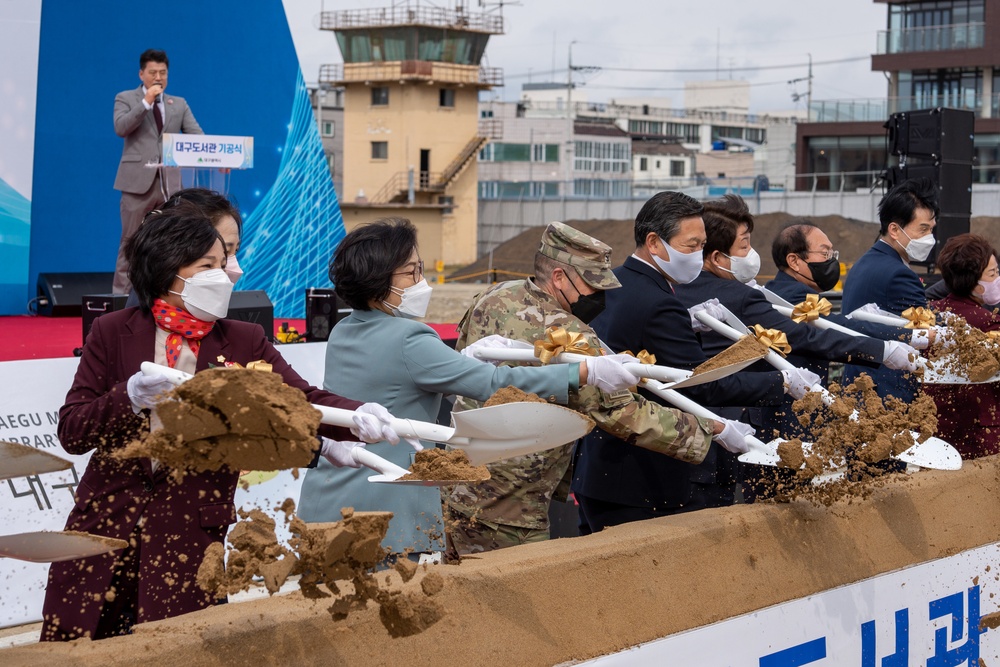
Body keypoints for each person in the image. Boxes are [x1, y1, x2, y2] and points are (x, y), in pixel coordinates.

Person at [40, 207, 400, 642]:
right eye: (206, 266)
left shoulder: (242, 340)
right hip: (105, 529)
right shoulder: (112, 331)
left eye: (221, 262)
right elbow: (73, 431)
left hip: (189, 534)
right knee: (79, 648)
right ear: (167, 272)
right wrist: (127, 397)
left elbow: (300, 399)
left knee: (179, 648)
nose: (224, 274)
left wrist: (356, 416)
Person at [296, 218, 642, 557]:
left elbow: (400, 384)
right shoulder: (409, 338)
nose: (422, 281)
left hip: (327, 506)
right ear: (378, 281)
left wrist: (463, 360)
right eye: (412, 273)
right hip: (387, 516)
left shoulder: (345, 329)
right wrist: (583, 372)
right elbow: (493, 384)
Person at [443, 222, 750, 554]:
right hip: (512, 500)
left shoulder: (494, 296)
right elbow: (620, 411)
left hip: (458, 482)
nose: (598, 296)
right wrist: (712, 430)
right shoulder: (568, 331)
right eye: (591, 285)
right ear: (559, 277)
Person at [571, 192, 809, 532]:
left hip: (599, 469)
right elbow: (701, 384)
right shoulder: (658, 304)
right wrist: (782, 383)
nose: (698, 256)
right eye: (690, 246)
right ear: (654, 242)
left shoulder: (615, 282)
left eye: (701, 246)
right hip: (641, 478)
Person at [673, 195, 920, 498]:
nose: (751, 254)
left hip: (688, 432)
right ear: (716, 257)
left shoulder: (678, 288)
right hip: (738, 428)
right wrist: (884, 350)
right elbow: (805, 336)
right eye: (744, 246)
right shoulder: (738, 296)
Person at [113, 49, 203, 294]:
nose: (158, 77)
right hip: (137, 182)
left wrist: (215, 155)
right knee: (130, 242)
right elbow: (121, 127)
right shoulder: (125, 98)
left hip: (170, 185)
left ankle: (163, 296)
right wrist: (146, 103)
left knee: (170, 242)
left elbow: (198, 138)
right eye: (152, 72)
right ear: (141, 74)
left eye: (163, 72)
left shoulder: (179, 104)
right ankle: (120, 299)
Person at [841, 178, 939, 401]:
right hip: (888, 393)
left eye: (931, 229)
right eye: (922, 229)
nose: (929, 238)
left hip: (859, 386)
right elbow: (928, 329)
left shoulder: (864, 262)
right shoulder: (898, 274)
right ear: (894, 229)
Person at [925, 234, 1000, 459]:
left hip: (935, 427)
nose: (998, 278)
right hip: (979, 430)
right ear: (974, 282)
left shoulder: (930, 313)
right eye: (993, 274)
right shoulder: (987, 322)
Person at [123, 188, 243, 309]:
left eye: (235, 251)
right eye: (225, 251)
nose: (234, 268)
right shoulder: (125, 323)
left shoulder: (227, 321)